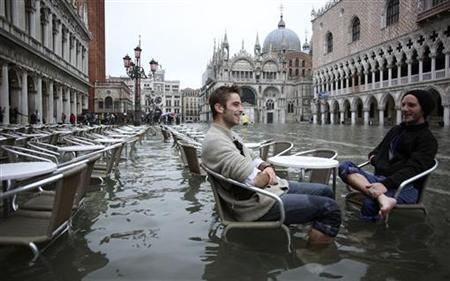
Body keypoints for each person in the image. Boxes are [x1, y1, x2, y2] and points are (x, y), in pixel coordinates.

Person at [201, 85, 341, 245]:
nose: (242, 109)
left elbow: (253, 157)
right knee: (331, 209)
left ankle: (313, 229)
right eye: (236, 104)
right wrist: (268, 175)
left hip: (269, 191)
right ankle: (311, 256)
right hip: (257, 205)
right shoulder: (216, 142)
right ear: (219, 108)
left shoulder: (228, 134)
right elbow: (256, 181)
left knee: (325, 191)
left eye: (241, 104)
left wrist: (266, 166)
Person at [339, 89, 438, 221]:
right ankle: (382, 198)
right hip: (380, 180)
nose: (404, 109)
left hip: (405, 187)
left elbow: (413, 169)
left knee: (370, 202)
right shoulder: (396, 130)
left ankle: (369, 237)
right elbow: (376, 152)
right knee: (345, 166)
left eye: (411, 105)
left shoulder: (427, 140)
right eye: (403, 104)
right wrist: (377, 161)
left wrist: (385, 183)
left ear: (424, 109)